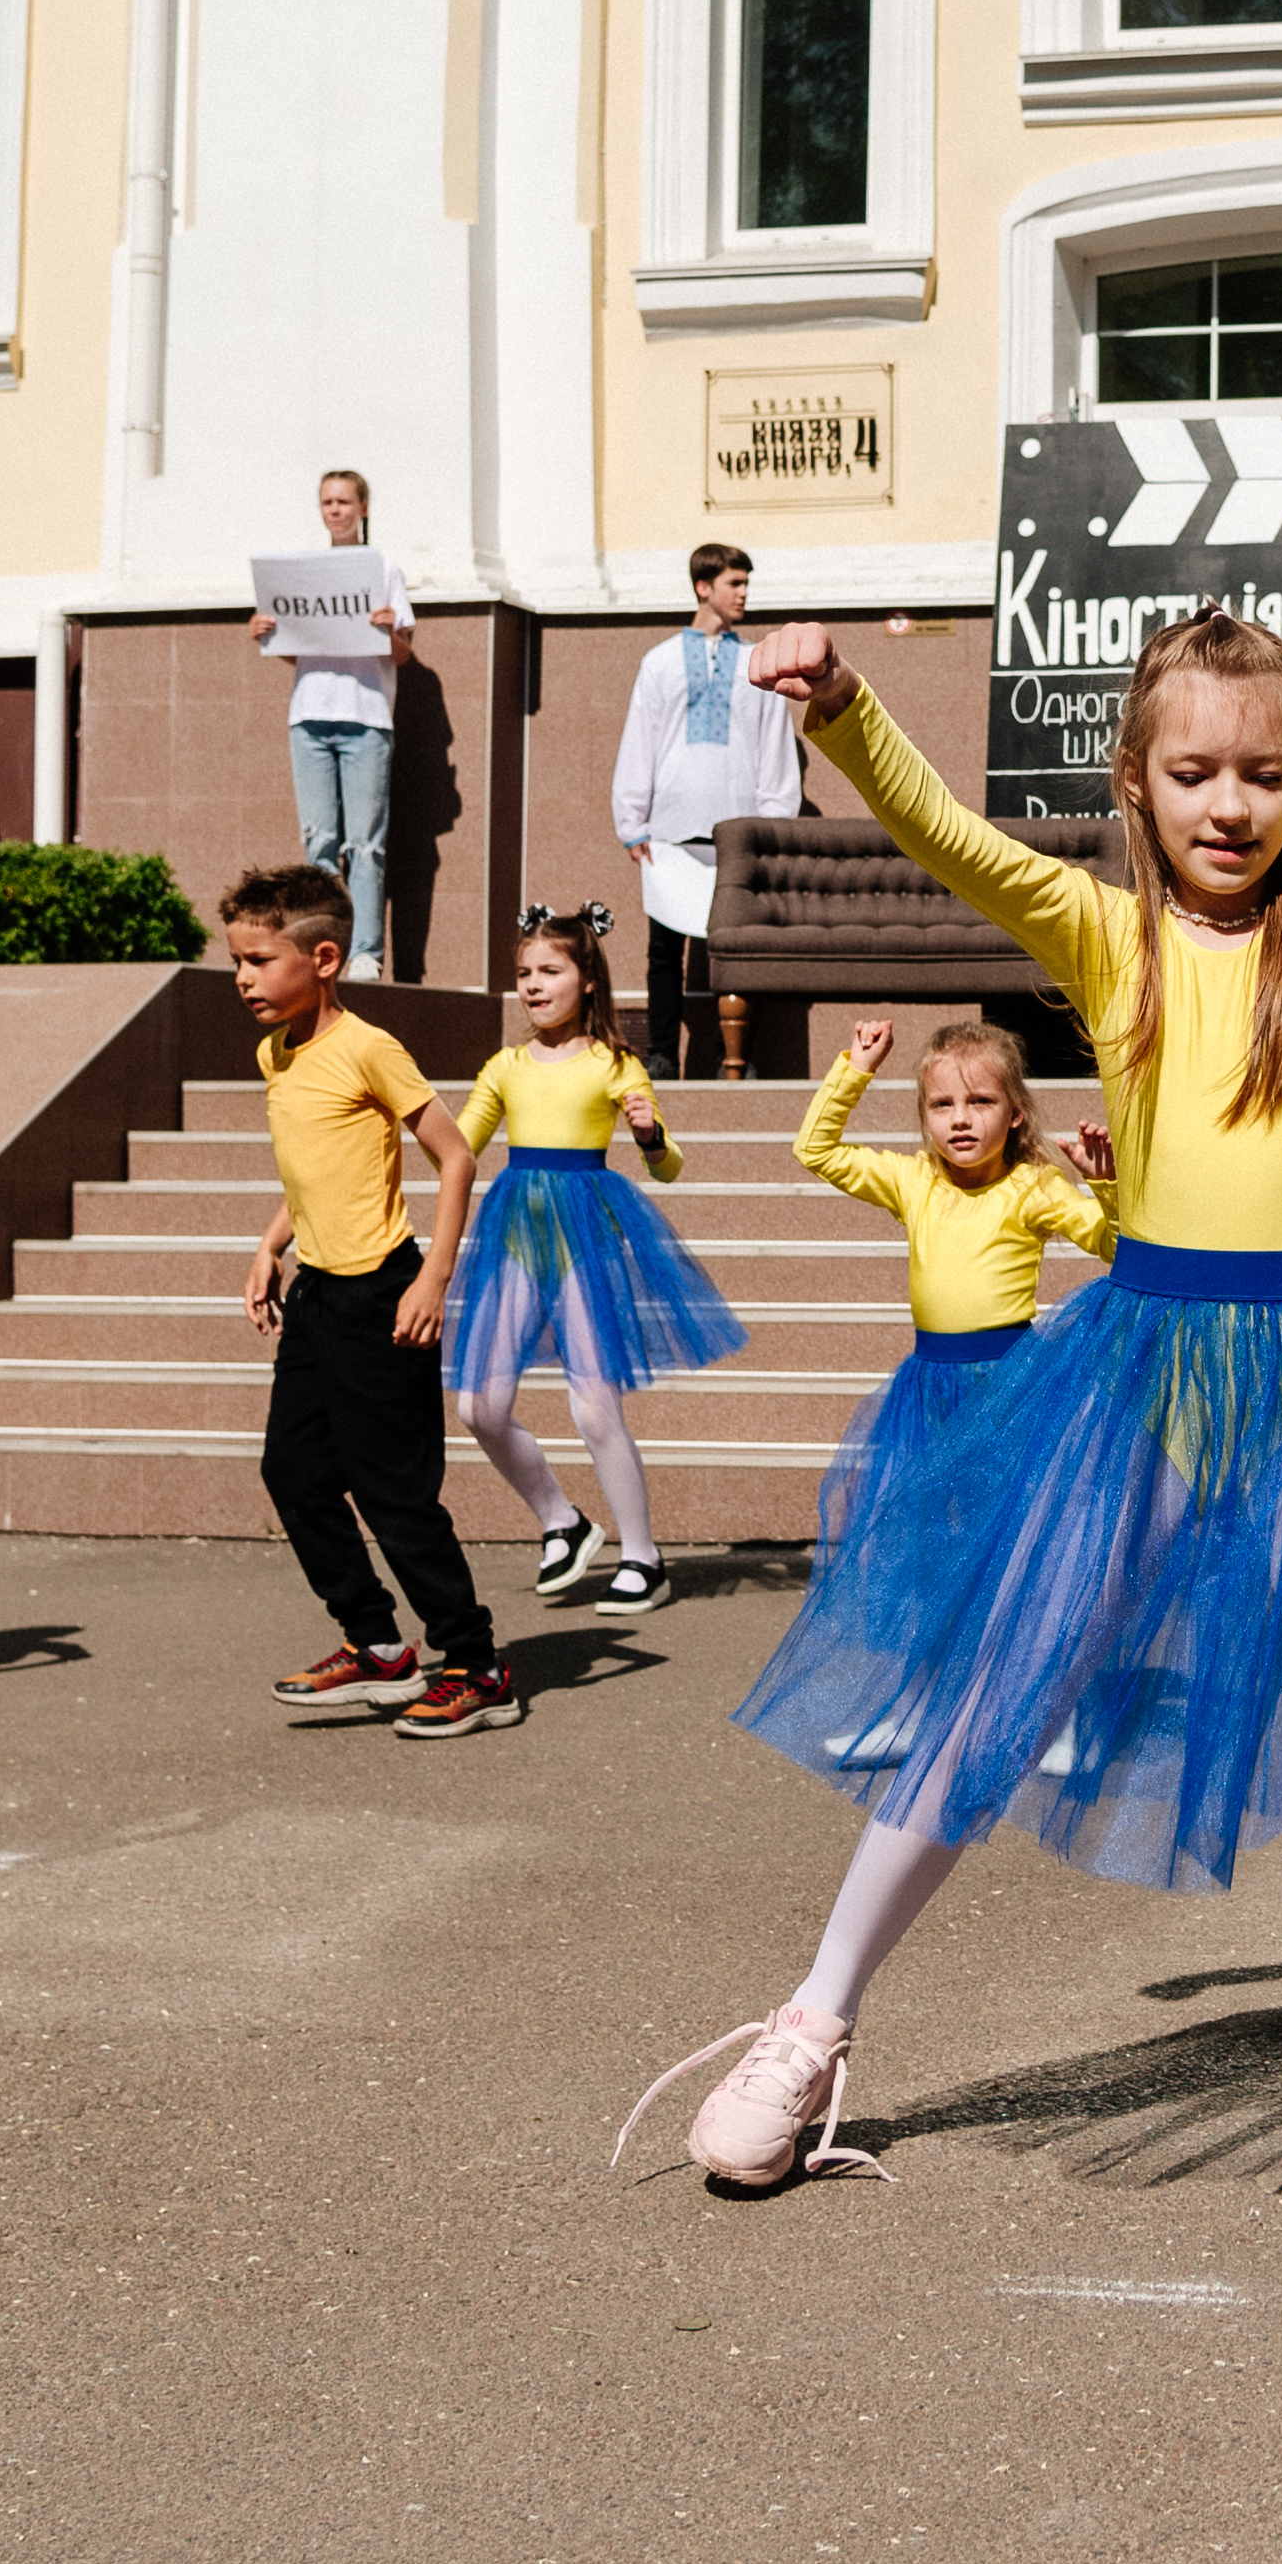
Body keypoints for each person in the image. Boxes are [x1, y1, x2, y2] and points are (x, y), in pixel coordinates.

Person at [636, 563, 1282, 2241]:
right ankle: (812, 2027)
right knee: (985, 1704)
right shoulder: (1106, 935)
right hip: (1144, 1368)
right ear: (1137, 787)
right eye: (1192, 771)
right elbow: (958, 840)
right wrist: (850, 716)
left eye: (1260, 770)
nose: (1227, 802)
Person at [727, 1016, 1128, 1980]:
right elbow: (814, 1149)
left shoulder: (1035, 1186)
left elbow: (1119, 1248)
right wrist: (851, 1071)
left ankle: (1047, 1715)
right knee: (918, 1554)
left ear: (1015, 1112)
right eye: (942, 1102)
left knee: (1015, 1560)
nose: (959, 1118)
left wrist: (1105, 1178)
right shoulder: (909, 1180)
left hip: (1012, 1393)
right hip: (927, 1392)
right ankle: (917, 1706)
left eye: (980, 1100)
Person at [220, 864, 511, 1742]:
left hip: (385, 1291)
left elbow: (455, 1157)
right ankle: (379, 1647)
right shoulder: (277, 1052)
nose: (243, 978)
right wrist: (272, 1244)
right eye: (236, 960)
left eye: (260, 961)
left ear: (324, 959)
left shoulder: (368, 1047)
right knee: (294, 1474)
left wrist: (435, 1279)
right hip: (317, 1294)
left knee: (393, 1491)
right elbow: (314, 1167)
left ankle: (474, 1663)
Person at [441, 905, 743, 1620]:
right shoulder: (505, 1066)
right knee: (478, 1404)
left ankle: (643, 1556)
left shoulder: (614, 1063)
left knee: (593, 1403)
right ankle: (561, 1520)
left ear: (587, 981)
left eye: (550, 971)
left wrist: (648, 1133)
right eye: (523, 973)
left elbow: (667, 1168)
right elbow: (455, 1147)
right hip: (515, 1230)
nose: (534, 985)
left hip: (586, 1233)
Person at [611, 540, 807, 1077]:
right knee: (663, 952)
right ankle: (658, 1055)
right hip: (671, 829)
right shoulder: (659, 663)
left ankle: (739, 1060)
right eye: (733, 584)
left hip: (737, 832)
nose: (744, 594)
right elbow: (640, 741)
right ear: (704, 587)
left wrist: (773, 822)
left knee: (736, 951)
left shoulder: (756, 663)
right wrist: (631, 820)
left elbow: (774, 744)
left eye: (746, 583)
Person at [250, 467, 412, 940]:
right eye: (327, 502)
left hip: (366, 716)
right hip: (310, 716)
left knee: (364, 845)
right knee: (318, 841)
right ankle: (323, 943)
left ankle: (364, 950)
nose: (335, 510)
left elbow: (401, 654)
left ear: (363, 508)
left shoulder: (383, 569)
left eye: (343, 501)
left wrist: (389, 631)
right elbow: (303, 651)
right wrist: (268, 636)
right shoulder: (303, 571)